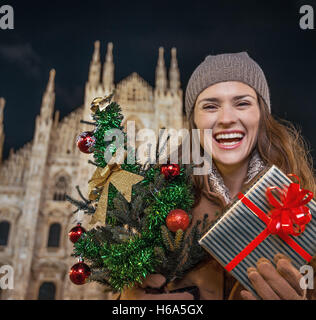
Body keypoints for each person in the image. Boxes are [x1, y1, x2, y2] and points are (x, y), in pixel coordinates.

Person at [119, 52, 316, 300]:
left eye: (242, 103)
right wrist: (128, 303)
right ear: (193, 122)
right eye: (211, 106)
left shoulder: (301, 201)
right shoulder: (162, 200)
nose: (226, 119)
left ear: (262, 115)